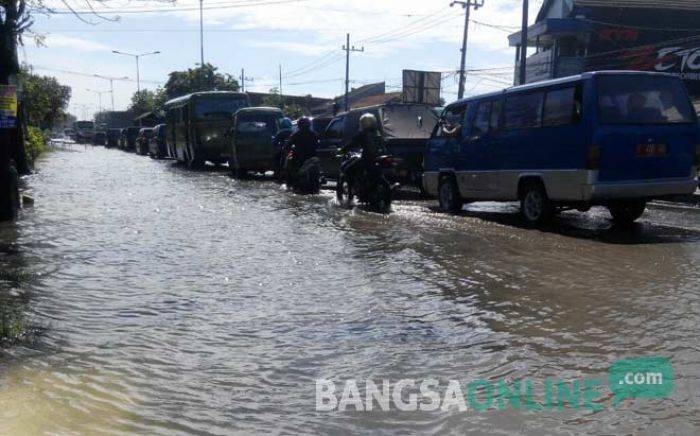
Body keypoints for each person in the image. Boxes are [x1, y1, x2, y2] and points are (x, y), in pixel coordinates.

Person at [340, 113, 386, 183]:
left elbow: (352, 143)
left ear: (364, 123)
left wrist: (342, 151)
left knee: (347, 169)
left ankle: (354, 189)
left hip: (367, 158)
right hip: (379, 158)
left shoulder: (363, 134)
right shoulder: (378, 133)